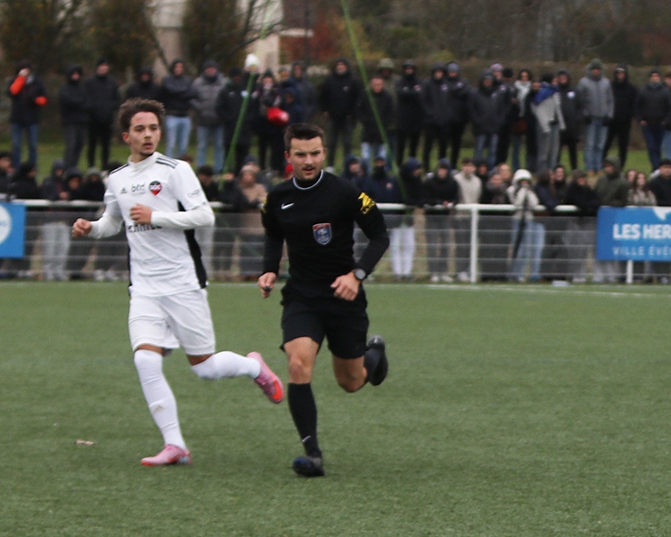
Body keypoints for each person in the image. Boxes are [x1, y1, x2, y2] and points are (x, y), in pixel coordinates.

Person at [70, 97, 283, 465]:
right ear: (127, 136)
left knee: (204, 368)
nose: (148, 135)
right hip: (144, 288)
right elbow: (112, 222)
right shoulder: (117, 178)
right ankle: (175, 445)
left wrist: (159, 216)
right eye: (140, 129)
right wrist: (90, 228)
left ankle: (254, 367)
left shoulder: (175, 171)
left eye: (153, 128)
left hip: (183, 282)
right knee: (145, 362)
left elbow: (205, 217)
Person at [258, 123, 390, 477]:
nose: (308, 160)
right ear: (288, 157)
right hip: (302, 296)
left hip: (343, 296)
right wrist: (269, 269)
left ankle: (373, 356)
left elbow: (379, 236)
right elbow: (273, 233)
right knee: (298, 364)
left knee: (350, 382)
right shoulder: (276, 198)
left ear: (324, 153)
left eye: (315, 153)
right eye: (300, 154)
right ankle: (312, 453)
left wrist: (356, 275)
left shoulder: (346, 193)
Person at [420, 158, 459, 281]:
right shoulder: (430, 182)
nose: (442, 171)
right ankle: (433, 272)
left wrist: (450, 204)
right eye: (440, 169)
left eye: (444, 169)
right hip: (432, 217)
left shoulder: (452, 183)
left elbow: (456, 198)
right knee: (432, 245)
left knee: (446, 245)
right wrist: (440, 203)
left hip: (445, 217)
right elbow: (425, 199)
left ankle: (443, 271)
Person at [319, 58, 361, 167]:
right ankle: (330, 165)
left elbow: (357, 98)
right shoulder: (329, 80)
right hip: (333, 117)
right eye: (338, 65)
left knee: (347, 143)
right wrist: (325, 110)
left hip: (347, 118)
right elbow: (323, 96)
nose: (340, 67)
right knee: (331, 143)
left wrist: (352, 113)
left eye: (342, 65)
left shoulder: (352, 81)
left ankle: (347, 165)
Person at [189, 61, 227, 172]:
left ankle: (219, 168)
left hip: (219, 121)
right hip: (203, 120)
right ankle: (200, 168)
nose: (211, 71)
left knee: (219, 146)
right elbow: (191, 98)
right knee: (202, 146)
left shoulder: (223, 82)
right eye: (208, 69)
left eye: (213, 68)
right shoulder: (197, 83)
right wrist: (199, 109)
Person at [8, 61, 46, 168]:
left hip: (32, 118)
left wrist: (36, 100)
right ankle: (15, 167)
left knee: (32, 146)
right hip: (17, 118)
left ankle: (32, 167)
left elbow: (44, 98)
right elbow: (12, 92)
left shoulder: (37, 82)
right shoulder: (14, 81)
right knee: (16, 145)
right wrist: (20, 79)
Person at [580, 60, 614, 171]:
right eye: (594, 69)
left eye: (598, 69)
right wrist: (585, 114)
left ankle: (598, 168)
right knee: (590, 145)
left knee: (600, 145)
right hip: (590, 118)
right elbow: (580, 101)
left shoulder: (606, 83)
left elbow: (610, 100)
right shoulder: (583, 82)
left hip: (603, 118)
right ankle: (589, 168)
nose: (596, 71)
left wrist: (609, 115)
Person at [633, 68, 669, 170]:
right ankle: (655, 167)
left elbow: (670, 107)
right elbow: (636, 107)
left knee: (658, 147)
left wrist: (666, 120)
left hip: (660, 124)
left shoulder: (665, 91)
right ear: (650, 78)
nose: (655, 78)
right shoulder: (643, 91)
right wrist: (640, 120)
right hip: (647, 125)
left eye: (656, 76)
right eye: (653, 76)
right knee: (651, 147)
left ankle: (658, 167)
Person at [159, 60, 195, 159]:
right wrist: (183, 93)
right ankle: (168, 165)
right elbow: (169, 91)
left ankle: (181, 166)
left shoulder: (188, 80)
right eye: (176, 67)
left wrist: (178, 94)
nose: (178, 69)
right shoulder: (167, 80)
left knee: (183, 145)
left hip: (185, 115)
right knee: (171, 144)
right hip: (172, 115)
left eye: (181, 67)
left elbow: (192, 93)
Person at [605, 65, 637, 169]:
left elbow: (635, 104)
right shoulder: (610, 86)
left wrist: (630, 116)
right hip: (610, 121)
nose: (620, 75)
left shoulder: (632, 88)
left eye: (622, 73)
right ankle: (602, 163)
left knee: (623, 146)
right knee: (606, 143)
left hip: (625, 122)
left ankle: (621, 166)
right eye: (618, 73)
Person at [360, 72, 396, 166]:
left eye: (379, 84)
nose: (377, 87)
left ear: (383, 85)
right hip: (367, 133)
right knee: (366, 158)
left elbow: (391, 113)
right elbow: (359, 110)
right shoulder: (365, 95)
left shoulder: (388, 97)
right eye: (375, 84)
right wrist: (366, 122)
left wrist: (384, 124)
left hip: (382, 134)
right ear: (371, 84)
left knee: (381, 158)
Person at [393, 60, 424, 166]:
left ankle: (412, 165)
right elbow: (401, 94)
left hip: (416, 119)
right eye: (407, 69)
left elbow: (420, 95)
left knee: (413, 145)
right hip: (402, 119)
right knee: (400, 145)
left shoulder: (419, 81)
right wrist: (413, 93)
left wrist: (409, 93)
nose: (409, 71)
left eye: (411, 69)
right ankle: (399, 164)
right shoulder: (400, 81)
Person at [59, 65, 89, 170]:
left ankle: (74, 166)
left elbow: (87, 102)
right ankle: (67, 167)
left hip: (81, 121)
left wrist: (79, 103)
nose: (75, 76)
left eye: (77, 74)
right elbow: (68, 101)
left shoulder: (82, 88)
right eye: (73, 74)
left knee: (79, 145)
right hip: (69, 121)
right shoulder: (65, 88)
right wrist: (79, 102)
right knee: (71, 145)